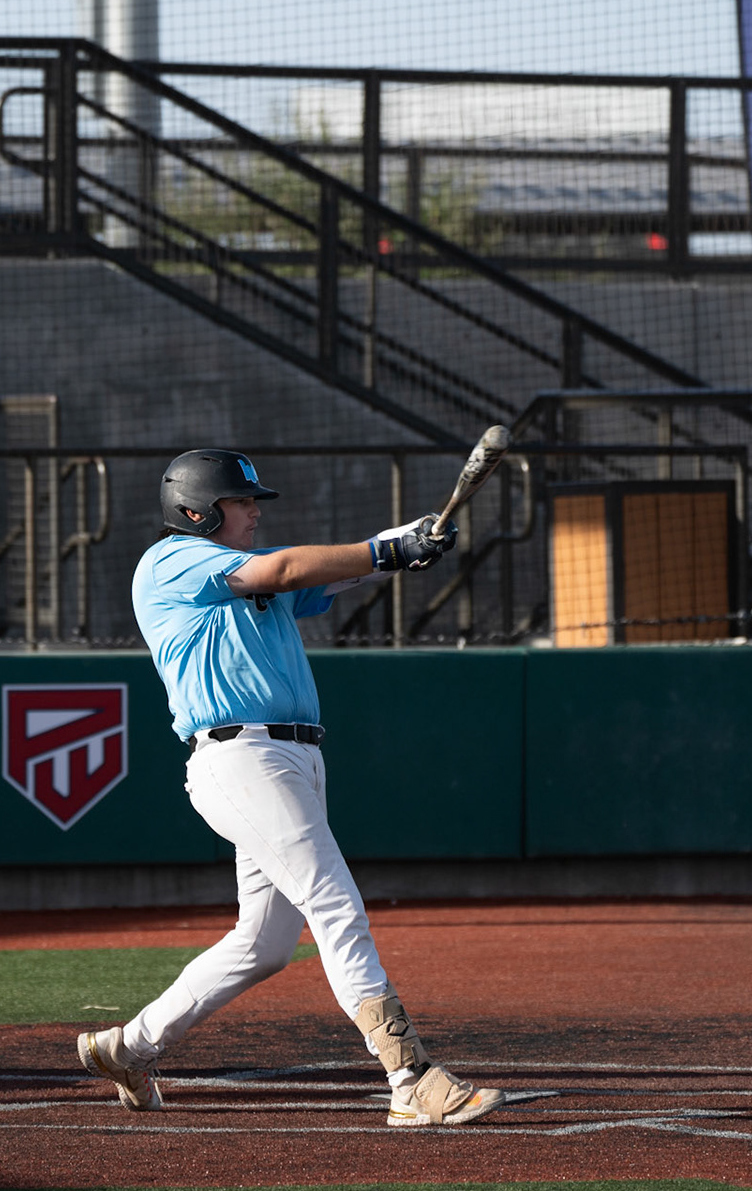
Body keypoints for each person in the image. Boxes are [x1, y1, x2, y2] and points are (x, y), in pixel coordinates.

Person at [76, 448, 506, 1128]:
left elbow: (321, 576)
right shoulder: (171, 561)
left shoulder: (243, 570)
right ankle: (409, 1076)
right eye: (241, 502)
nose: (253, 512)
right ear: (197, 511)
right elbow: (281, 568)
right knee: (334, 900)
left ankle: (128, 1048)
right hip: (241, 759)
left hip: (292, 759)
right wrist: (386, 549)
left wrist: (403, 544)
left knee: (265, 944)